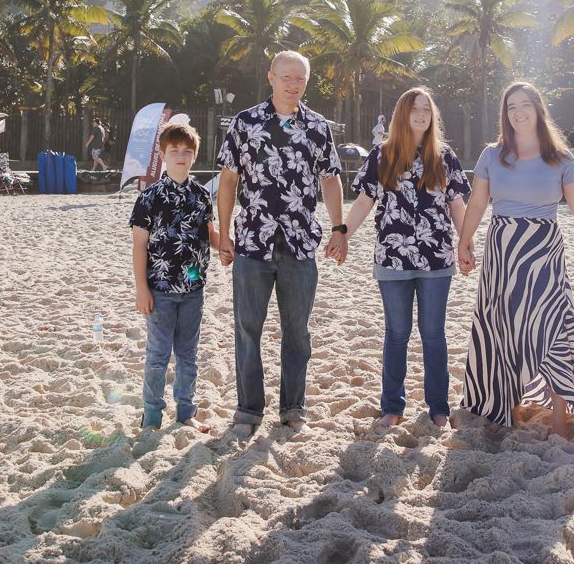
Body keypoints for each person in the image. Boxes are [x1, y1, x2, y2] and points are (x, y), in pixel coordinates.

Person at [456, 82, 574, 436]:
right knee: (502, 327)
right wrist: (464, 243)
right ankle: (502, 407)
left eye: (525, 105)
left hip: (543, 251)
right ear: (504, 114)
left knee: (552, 326)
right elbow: (478, 204)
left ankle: (559, 417)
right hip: (502, 250)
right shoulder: (491, 155)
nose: (518, 112)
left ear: (539, 109)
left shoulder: (561, 157)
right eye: (511, 107)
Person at [216, 50, 344, 439]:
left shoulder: (318, 127)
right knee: (247, 329)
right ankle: (248, 410)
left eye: (300, 79)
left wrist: (339, 229)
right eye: (286, 77)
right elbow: (227, 181)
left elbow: (331, 179)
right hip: (252, 242)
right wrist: (224, 234)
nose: (293, 84)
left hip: (300, 243)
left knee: (297, 331)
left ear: (306, 82)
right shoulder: (245, 123)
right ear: (271, 77)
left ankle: (293, 409)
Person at [329, 87, 470, 429]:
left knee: (434, 334)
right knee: (396, 334)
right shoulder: (382, 155)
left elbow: (456, 205)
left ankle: (439, 408)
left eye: (427, 108)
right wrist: (343, 232)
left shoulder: (445, 156)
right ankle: (392, 406)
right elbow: (365, 202)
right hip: (392, 258)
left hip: (437, 259)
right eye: (414, 108)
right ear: (402, 115)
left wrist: (466, 245)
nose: (421, 114)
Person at [130, 121, 218, 431]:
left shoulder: (202, 196)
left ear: (194, 156)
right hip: (160, 290)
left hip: (193, 288)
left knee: (188, 355)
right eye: (174, 150)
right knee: (157, 355)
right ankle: (152, 415)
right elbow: (140, 246)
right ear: (163, 155)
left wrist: (229, 248)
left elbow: (209, 235)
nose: (181, 156)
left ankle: (186, 413)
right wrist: (142, 289)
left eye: (187, 151)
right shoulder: (149, 197)